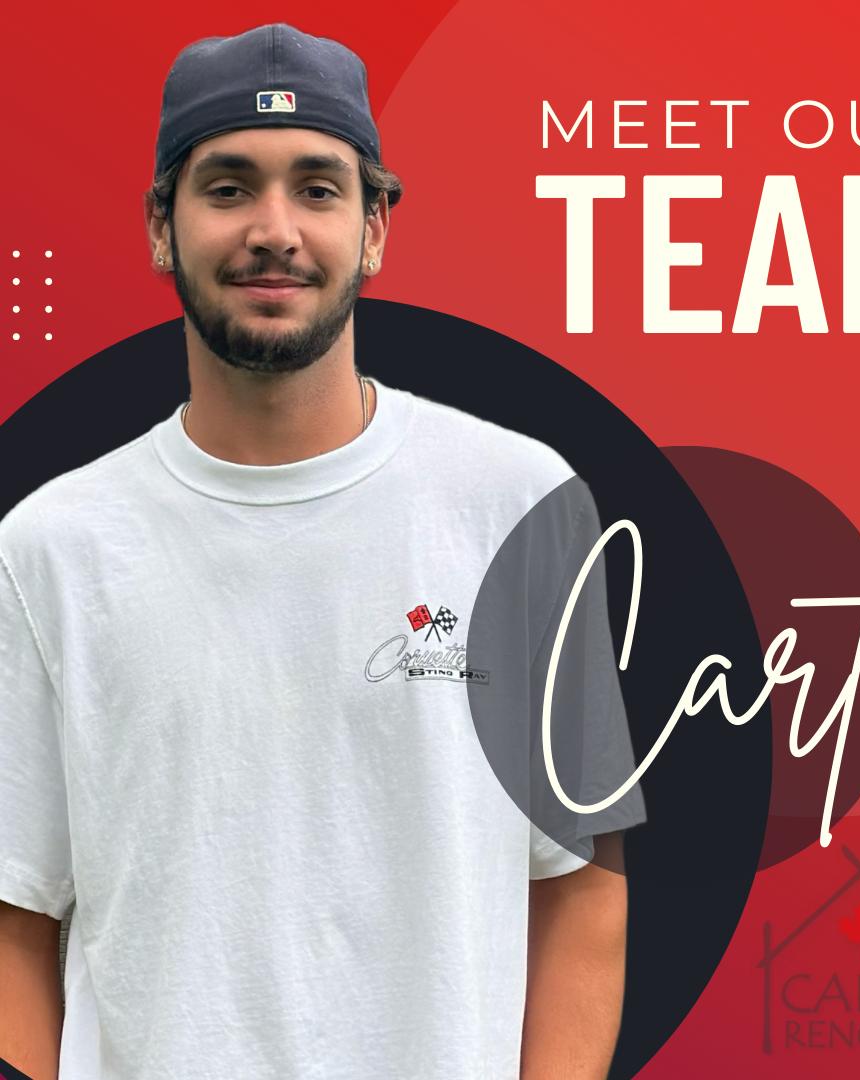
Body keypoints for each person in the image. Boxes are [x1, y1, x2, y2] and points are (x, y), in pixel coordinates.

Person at [0, 23, 645, 1080]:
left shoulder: (520, 505)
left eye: (316, 188)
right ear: (160, 227)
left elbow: (580, 888)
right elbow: (15, 916)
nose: (273, 230)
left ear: (376, 228)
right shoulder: (50, 550)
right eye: (226, 188)